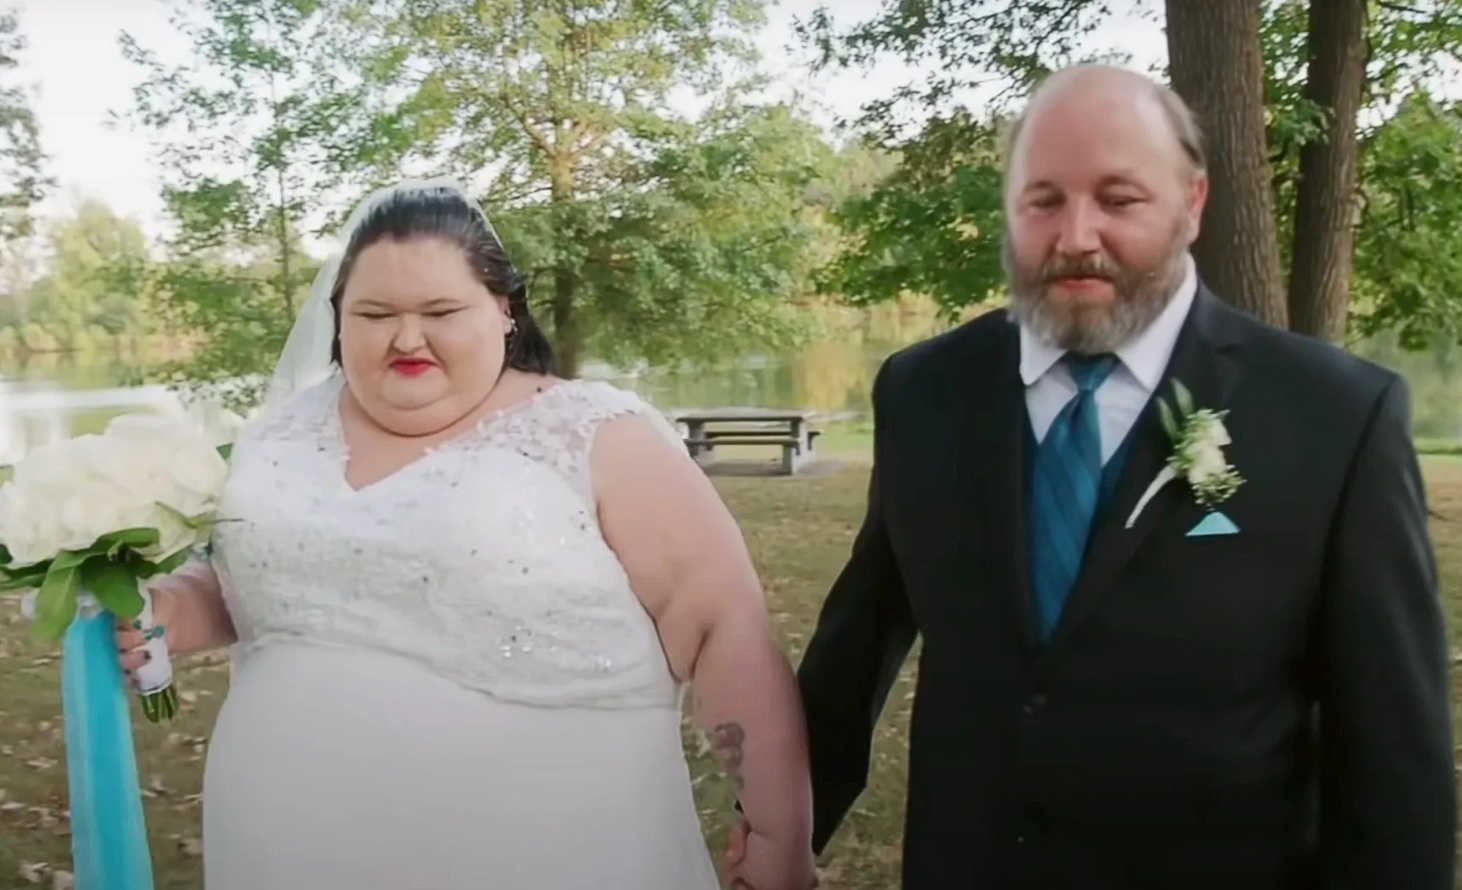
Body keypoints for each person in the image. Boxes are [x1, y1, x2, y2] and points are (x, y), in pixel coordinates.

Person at [743, 65, 1457, 888]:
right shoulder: (925, 393)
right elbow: (857, 647)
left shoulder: (1335, 418)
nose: (1076, 235)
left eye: (1118, 199)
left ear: (1191, 203)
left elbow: (1393, 760)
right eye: (1043, 200)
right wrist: (780, 832)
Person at [114, 181, 817, 890]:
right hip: (281, 847)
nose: (406, 337)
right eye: (375, 313)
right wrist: (168, 611)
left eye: (441, 311)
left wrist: (776, 828)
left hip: (547, 853)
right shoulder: (280, 434)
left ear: (503, 310)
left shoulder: (595, 436)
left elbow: (724, 626)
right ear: (338, 318)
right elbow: (259, 584)